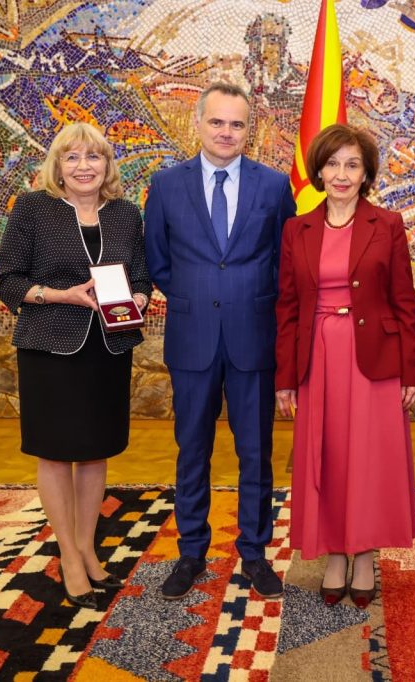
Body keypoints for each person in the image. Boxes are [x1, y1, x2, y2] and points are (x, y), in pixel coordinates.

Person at [144, 82, 297, 600]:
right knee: (193, 450)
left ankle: (254, 554)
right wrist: (200, 295)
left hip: (254, 339)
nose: (226, 132)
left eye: (236, 124)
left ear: (248, 129)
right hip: (192, 340)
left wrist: (245, 298)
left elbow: (284, 260)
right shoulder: (166, 185)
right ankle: (191, 552)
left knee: (256, 452)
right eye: (217, 122)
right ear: (198, 123)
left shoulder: (273, 186)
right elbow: (158, 261)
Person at [0, 122, 151, 610]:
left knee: (96, 451)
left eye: (94, 156)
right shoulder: (33, 209)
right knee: (57, 453)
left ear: (107, 165)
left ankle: (87, 548)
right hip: (50, 349)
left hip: (109, 350)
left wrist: (140, 298)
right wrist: (60, 295)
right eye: (73, 157)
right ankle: (68, 555)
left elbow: (141, 275)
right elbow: (6, 279)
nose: (84, 166)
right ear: (57, 166)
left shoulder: (126, 214)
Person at [275, 124, 415, 608]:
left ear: (366, 174)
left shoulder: (388, 224)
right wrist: (285, 379)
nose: (341, 174)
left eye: (352, 165)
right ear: (318, 171)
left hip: (373, 359)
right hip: (317, 359)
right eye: (333, 164)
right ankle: (335, 553)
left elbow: (404, 302)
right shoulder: (297, 229)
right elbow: (287, 308)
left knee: (369, 460)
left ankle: (364, 555)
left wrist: (410, 371)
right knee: (329, 456)